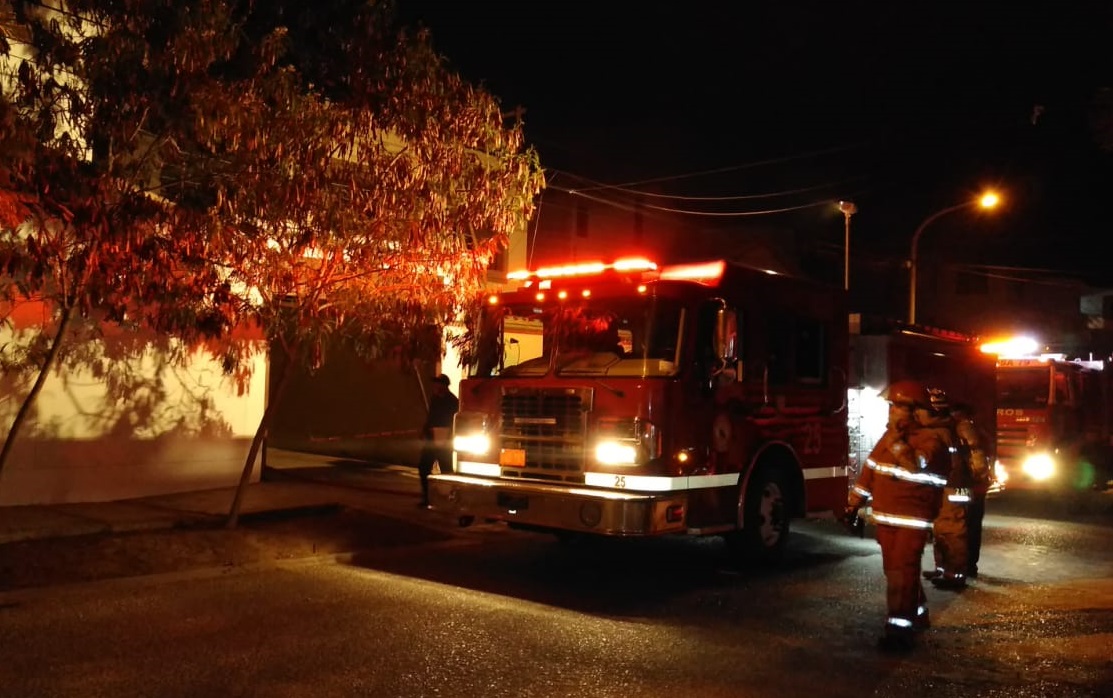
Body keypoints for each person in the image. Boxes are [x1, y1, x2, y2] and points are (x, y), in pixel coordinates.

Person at [845, 379, 950, 652]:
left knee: (901, 574)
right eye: (891, 406)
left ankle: (898, 634)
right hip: (886, 517)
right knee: (896, 572)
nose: (891, 411)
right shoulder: (888, 437)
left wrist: (895, 442)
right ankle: (918, 612)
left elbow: (915, 466)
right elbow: (871, 469)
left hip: (911, 520)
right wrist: (854, 501)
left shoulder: (932, 439)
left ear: (915, 410)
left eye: (897, 407)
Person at [417, 374, 459, 508]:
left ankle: (449, 498)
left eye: (438, 384)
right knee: (423, 468)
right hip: (432, 439)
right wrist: (425, 429)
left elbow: (454, 422)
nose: (435, 387)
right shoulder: (435, 399)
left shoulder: (452, 402)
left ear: (444, 386)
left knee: (446, 471)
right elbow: (431, 417)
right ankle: (427, 498)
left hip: (445, 440)